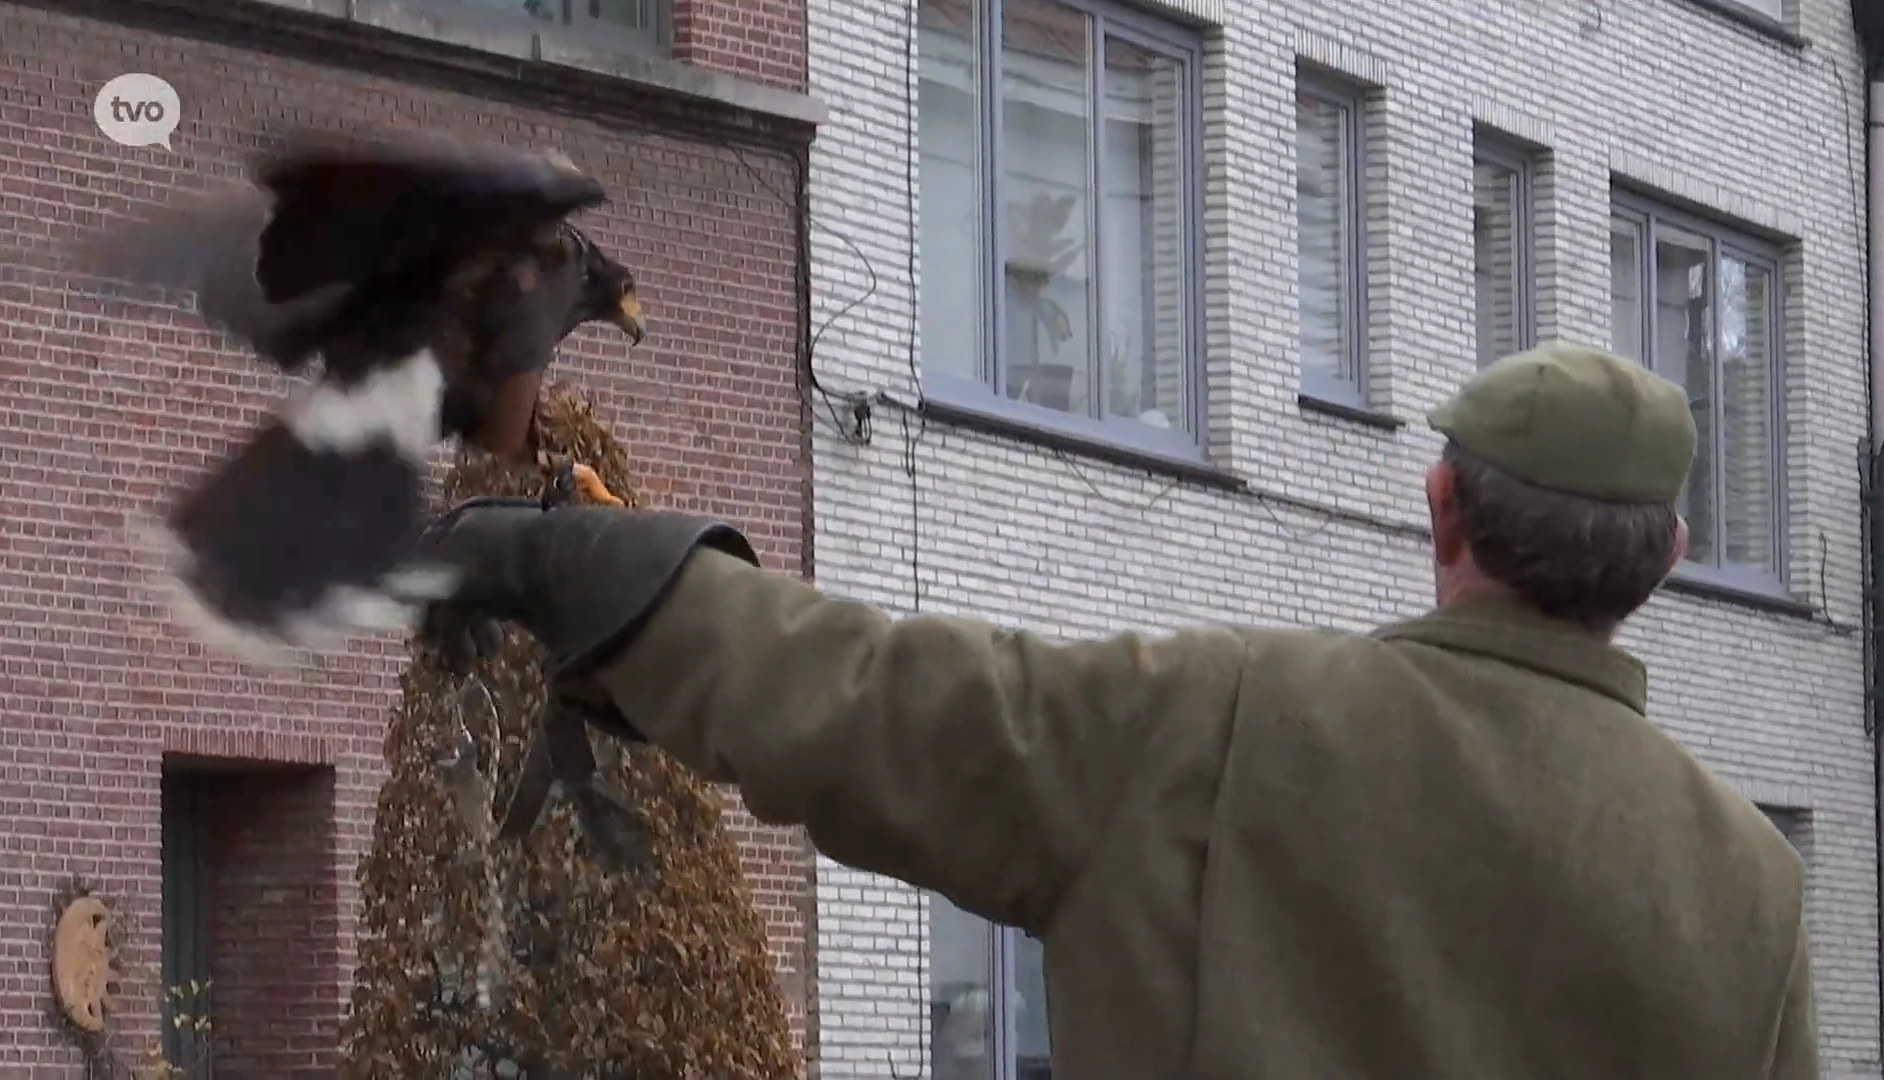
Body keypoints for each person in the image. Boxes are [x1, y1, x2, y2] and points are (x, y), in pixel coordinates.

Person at [415, 342, 1817, 1078]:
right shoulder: (1755, 890)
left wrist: (593, 569)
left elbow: (872, 701)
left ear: (1438, 507)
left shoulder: (1232, 725)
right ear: (1668, 560)